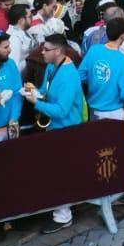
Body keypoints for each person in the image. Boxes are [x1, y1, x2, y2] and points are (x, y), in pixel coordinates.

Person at [20, 33, 83, 232]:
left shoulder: (69, 74)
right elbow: (46, 91)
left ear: (58, 51)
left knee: (60, 174)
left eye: (46, 49)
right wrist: (36, 93)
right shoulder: (51, 67)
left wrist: (36, 102)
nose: (42, 52)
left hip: (67, 131)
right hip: (55, 130)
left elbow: (62, 110)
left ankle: (63, 216)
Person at [78, 16, 124, 121]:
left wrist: (96, 81)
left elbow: (81, 76)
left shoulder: (93, 50)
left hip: (92, 111)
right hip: (115, 114)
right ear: (123, 35)